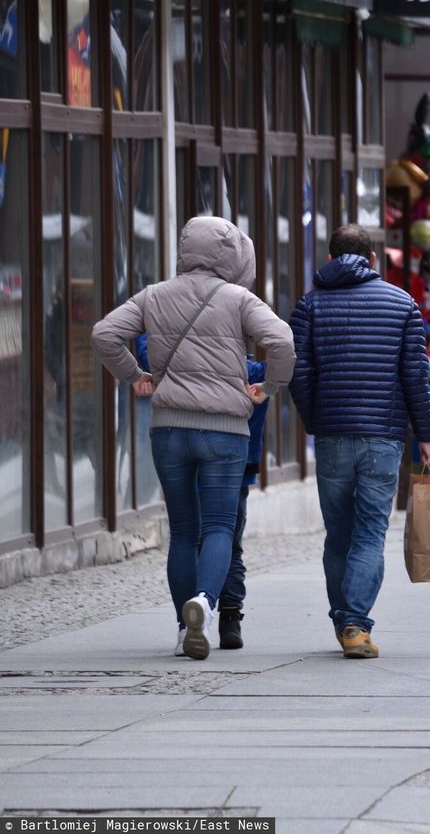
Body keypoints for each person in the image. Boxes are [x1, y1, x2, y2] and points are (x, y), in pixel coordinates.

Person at [91, 216, 295, 659]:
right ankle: (205, 600)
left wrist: (136, 375)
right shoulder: (241, 299)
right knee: (220, 525)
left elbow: (105, 334)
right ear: (232, 255)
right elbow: (281, 340)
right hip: (224, 431)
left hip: (169, 428)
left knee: (183, 530)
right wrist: (269, 388)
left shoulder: (154, 295)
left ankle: (185, 630)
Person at [289, 225, 430, 659]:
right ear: (372, 260)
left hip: (333, 435)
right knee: (371, 532)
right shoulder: (401, 304)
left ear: (331, 257)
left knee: (338, 533)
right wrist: (425, 435)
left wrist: (315, 418)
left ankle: (345, 621)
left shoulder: (310, 304)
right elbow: (414, 377)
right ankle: (354, 623)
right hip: (383, 436)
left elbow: (299, 372)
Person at [137, 335, 268, 650]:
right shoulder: (249, 370)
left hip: (180, 447)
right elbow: (283, 350)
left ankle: (187, 625)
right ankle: (229, 618)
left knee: (186, 536)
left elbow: (141, 344)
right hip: (233, 464)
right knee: (226, 537)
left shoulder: (179, 365)